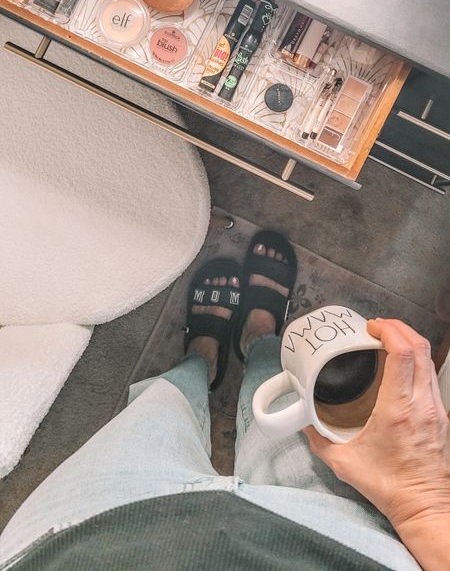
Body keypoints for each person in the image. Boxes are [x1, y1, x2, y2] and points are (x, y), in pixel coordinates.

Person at [0, 231, 448, 571]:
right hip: (339, 542)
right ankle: (258, 339)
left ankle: (202, 358)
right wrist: (421, 502)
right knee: (277, 402)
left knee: (161, 405)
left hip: (85, 540)